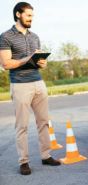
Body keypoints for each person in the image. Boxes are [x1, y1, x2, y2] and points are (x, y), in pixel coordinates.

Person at [0, 2, 61, 175]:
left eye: (32, 16)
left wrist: (43, 63)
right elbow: (6, 63)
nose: (31, 19)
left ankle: (46, 155)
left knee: (43, 122)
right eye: (28, 15)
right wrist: (27, 59)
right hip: (20, 85)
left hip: (38, 83)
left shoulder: (35, 36)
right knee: (22, 126)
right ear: (18, 14)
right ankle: (24, 162)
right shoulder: (5, 37)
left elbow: (40, 63)